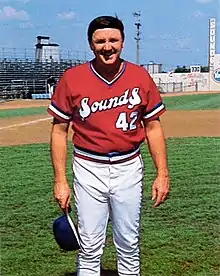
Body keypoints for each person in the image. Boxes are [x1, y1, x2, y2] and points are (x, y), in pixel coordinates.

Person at [47, 15, 170, 276]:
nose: (107, 46)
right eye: (100, 41)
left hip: (129, 167)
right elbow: (59, 131)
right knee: (89, 247)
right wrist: (60, 180)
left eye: (113, 40)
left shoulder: (139, 76)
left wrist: (162, 174)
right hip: (89, 167)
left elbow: (153, 127)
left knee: (128, 244)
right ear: (91, 45)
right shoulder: (72, 78)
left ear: (122, 42)